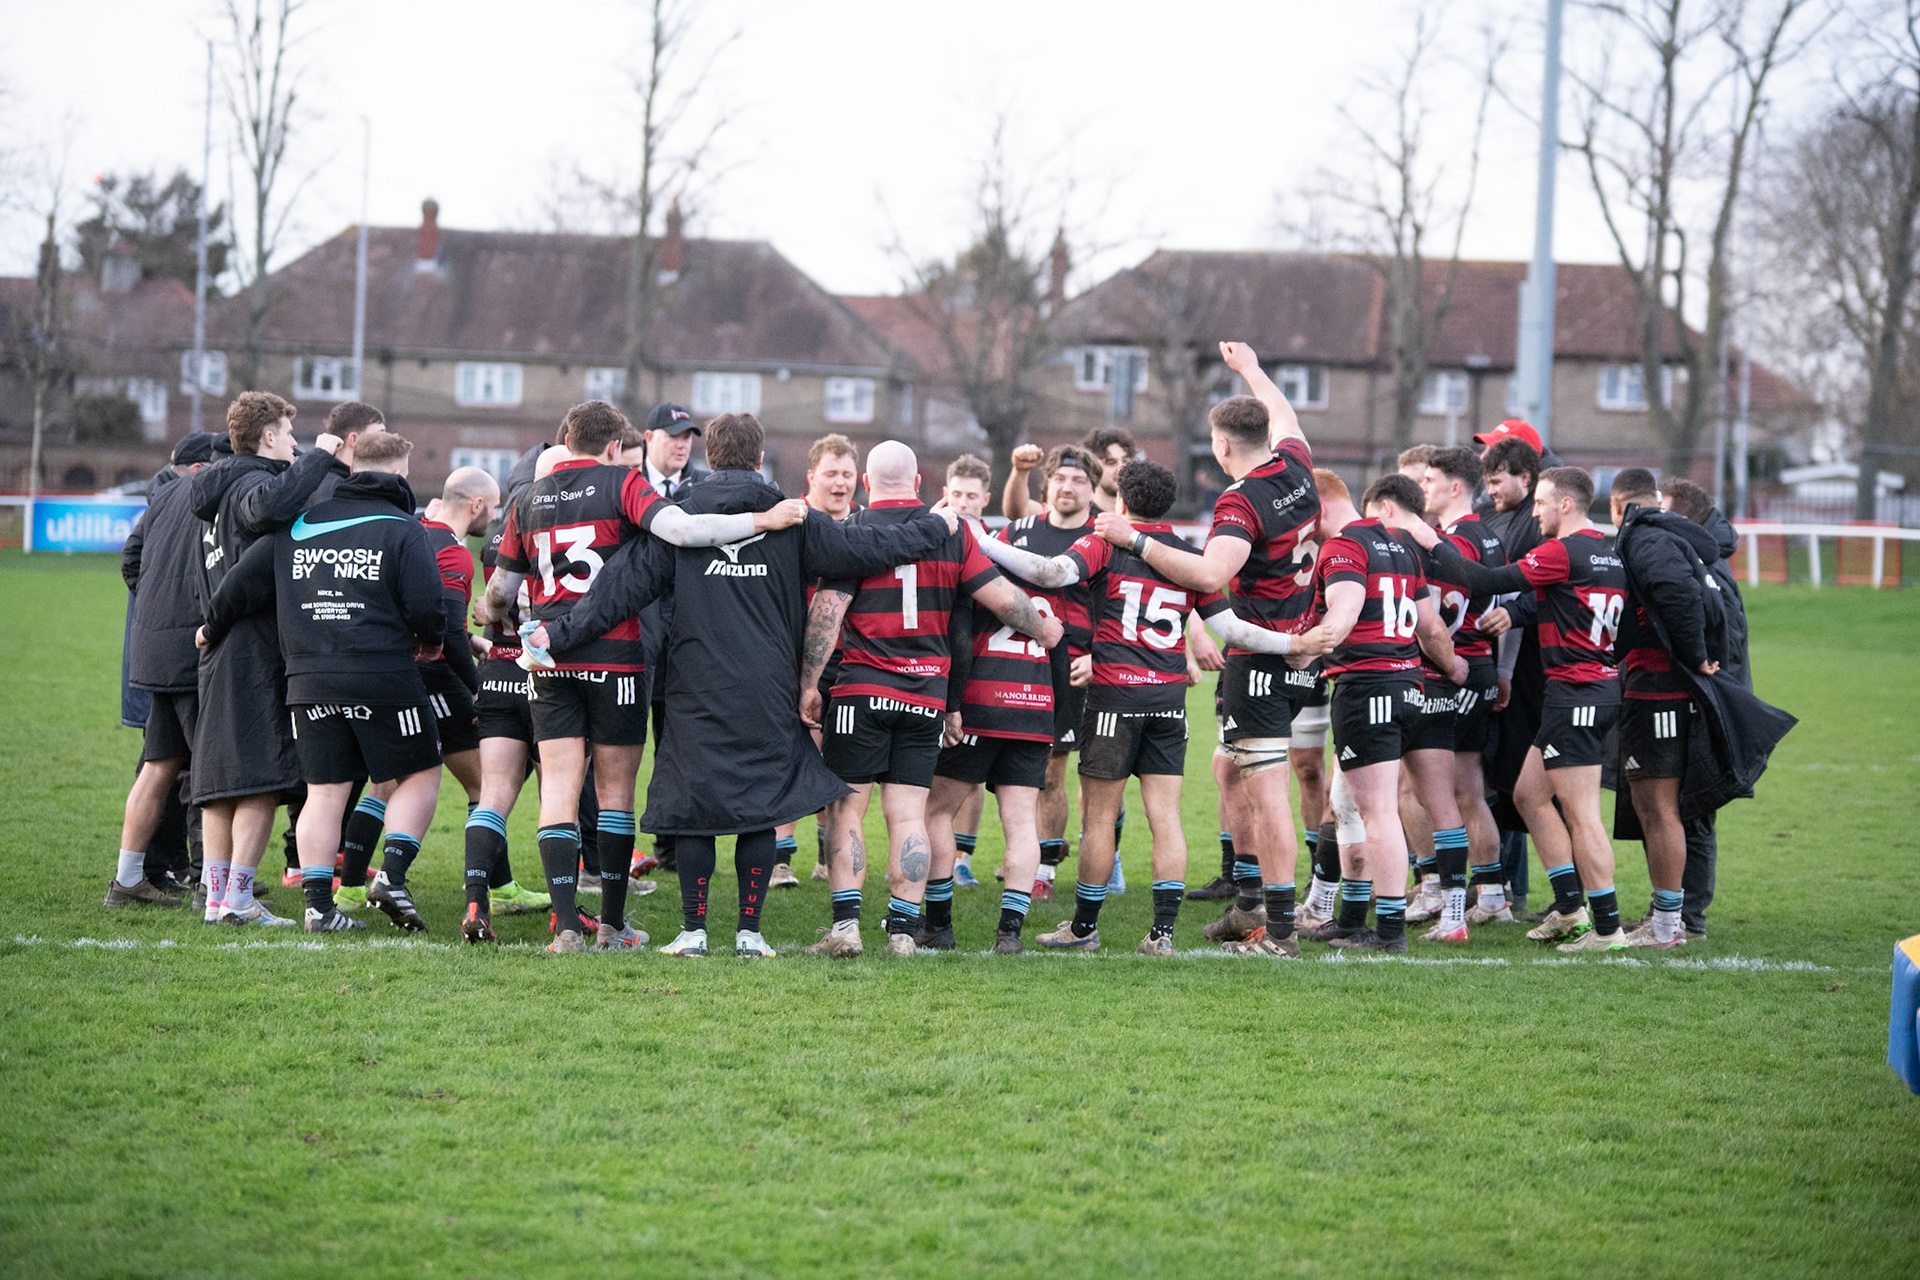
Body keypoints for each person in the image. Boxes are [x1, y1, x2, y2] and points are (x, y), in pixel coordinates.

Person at [523, 414, 961, 957]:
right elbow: (866, 550)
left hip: (695, 686)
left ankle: (695, 931)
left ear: (710, 455)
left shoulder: (681, 514)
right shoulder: (796, 518)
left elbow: (617, 592)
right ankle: (750, 934)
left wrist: (556, 634)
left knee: (696, 804)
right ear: (759, 458)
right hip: (769, 684)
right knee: (760, 802)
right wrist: (936, 528)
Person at [477, 400, 811, 953]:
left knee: (559, 787)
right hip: (616, 656)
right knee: (614, 792)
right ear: (614, 447)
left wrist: (490, 616)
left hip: (550, 658)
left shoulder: (526, 501)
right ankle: (612, 924)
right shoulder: (622, 484)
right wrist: (762, 520)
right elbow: (680, 529)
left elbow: (500, 595)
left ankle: (565, 927)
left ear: (565, 437)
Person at [991, 460, 1297, 954]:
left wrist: (978, 541)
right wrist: (1293, 645)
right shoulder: (1190, 558)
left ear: (1122, 502)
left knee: (1098, 818)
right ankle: (1161, 935)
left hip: (1114, 699)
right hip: (1169, 703)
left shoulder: (1105, 543)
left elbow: (1048, 573)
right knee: (1167, 818)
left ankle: (1084, 929)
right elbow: (1235, 632)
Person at [1090, 341, 1321, 956]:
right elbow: (1283, 411)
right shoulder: (1297, 464)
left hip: (1263, 660)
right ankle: (1248, 904)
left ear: (1220, 447)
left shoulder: (1240, 501)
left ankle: (1278, 931)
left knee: (1268, 796)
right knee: (1227, 770)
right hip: (1298, 656)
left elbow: (1207, 574)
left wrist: (1133, 540)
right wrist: (1250, 368)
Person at [799, 440, 1061, 958]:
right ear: (919, 485)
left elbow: (826, 613)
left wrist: (809, 683)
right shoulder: (954, 533)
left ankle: (846, 930)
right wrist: (1044, 628)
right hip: (924, 696)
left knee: (847, 810)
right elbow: (1002, 599)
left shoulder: (852, 531)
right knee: (909, 815)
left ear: (867, 485)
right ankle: (902, 932)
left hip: (862, 691)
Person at [198, 431, 447, 935]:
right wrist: (432, 640)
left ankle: (318, 908)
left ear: (352, 470)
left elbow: (238, 584)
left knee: (324, 791)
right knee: (419, 772)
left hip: (308, 680)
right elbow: (426, 605)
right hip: (382, 675)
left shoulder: (299, 525)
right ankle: (392, 877)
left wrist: (210, 626)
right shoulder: (403, 528)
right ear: (400, 473)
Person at [1392, 466, 1630, 951]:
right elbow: (1551, 603)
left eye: (1541, 502)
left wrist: (1426, 538)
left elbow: (1485, 577)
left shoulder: (1562, 550)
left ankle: (1607, 929)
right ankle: (1568, 909)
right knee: (1527, 795)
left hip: (1579, 694)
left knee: (1582, 815)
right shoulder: (1607, 551)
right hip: (1583, 691)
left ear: (1566, 504)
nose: (1535, 511)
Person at [189, 392, 348, 926]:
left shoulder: (212, 495)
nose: (297, 441)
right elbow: (272, 507)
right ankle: (236, 898)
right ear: (268, 438)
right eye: (289, 432)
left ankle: (216, 898)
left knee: (219, 783)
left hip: (217, 649)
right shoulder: (250, 486)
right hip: (253, 648)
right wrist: (322, 457)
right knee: (260, 777)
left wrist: (209, 625)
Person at [1299, 472, 1464, 953]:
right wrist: (1454, 669)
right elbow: (1430, 628)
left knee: (1377, 811)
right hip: (1406, 683)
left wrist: (1302, 648)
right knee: (1347, 804)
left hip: (1366, 686)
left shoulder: (1344, 547)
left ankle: (1388, 929)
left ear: (1323, 506)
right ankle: (1349, 918)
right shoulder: (1404, 549)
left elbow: (1344, 613)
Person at [107, 432, 221, 908]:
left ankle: (129, 879)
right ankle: (207, 882)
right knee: (209, 769)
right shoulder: (215, 494)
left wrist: (155, 610)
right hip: (192, 650)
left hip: (153, 649)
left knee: (157, 766)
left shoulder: (162, 495)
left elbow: (131, 560)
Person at [1411, 446, 1512, 937]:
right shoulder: (1486, 537)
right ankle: (1490, 894)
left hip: (1459, 669)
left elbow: (1445, 614)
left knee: (1432, 787)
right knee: (1467, 787)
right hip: (1479, 667)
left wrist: (1446, 661)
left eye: (1429, 480)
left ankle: (1435, 887)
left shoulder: (1456, 542)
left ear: (1455, 487)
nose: (1422, 488)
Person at [993, 445, 1098, 901]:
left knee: (1053, 771)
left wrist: (1098, 656)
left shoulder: (1103, 537)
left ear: (1093, 490)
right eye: (1060, 479)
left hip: (1069, 669)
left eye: (1078, 481)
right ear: (1047, 484)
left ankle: (1044, 872)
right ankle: (1012, 854)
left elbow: (1120, 605)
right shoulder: (1017, 531)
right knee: (1005, 771)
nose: (1068, 487)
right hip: (1011, 665)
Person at [1649, 478, 1747, 937]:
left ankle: (1689, 917)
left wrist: (1705, 680)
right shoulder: (1701, 558)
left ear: (1683, 518)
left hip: (1708, 703)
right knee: (1681, 807)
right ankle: (1675, 910)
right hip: (1695, 700)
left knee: (1696, 807)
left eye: (1663, 512)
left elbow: (1726, 646)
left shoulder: (1711, 568)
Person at [786, 433, 863, 885]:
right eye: (831, 474)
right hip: (793, 660)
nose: (839, 483)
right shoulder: (792, 522)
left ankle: (822, 859)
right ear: (812, 476)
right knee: (793, 755)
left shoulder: (866, 526)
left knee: (837, 764)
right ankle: (780, 858)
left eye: (847, 474)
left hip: (850, 663)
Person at [933, 453, 996, 886]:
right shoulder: (928, 533)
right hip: (934, 665)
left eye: (971, 496)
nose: (963, 502)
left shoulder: (995, 542)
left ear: (985, 499)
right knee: (936, 771)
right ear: (944, 494)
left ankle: (961, 856)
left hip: (978, 668)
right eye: (956, 494)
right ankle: (930, 854)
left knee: (967, 771)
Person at [1001, 426, 1136, 520]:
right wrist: (1020, 471)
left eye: (1125, 460)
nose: (1121, 468)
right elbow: (1017, 511)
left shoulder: (1140, 513)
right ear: (1093, 468)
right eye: (1110, 462)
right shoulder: (1072, 507)